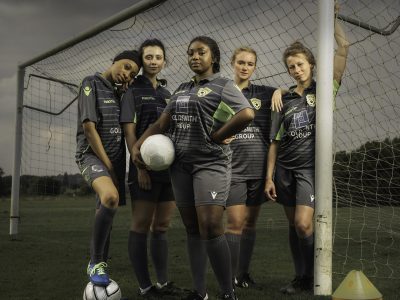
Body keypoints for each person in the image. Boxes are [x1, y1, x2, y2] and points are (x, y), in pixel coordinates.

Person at [132, 36, 255, 300]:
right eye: (190, 53)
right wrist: (138, 146)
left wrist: (220, 135)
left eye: (201, 52)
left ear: (214, 57)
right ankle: (200, 292)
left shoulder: (223, 85)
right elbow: (162, 124)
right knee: (192, 228)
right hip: (180, 166)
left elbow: (246, 114)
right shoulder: (180, 89)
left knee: (211, 225)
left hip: (211, 163)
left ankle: (227, 293)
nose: (195, 56)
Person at [265, 5, 349, 294]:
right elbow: (275, 140)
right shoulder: (283, 98)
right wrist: (269, 176)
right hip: (284, 170)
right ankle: (301, 277)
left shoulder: (325, 89)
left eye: (300, 64)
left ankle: (315, 276)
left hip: (310, 170)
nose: (296, 70)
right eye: (291, 66)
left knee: (303, 224)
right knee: (294, 226)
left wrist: (334, 19)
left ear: (312, 64)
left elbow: (344, 49)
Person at [75, 50, 142, 286]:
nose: (126, 74)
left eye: (132, 73)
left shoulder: (121, 93)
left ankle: (101, 262)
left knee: (107, 209)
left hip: (115, 159)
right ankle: (95, 261)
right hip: (93, 156)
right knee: (111, 196)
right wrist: (108, 164)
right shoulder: (91, 82)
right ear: (113, 61)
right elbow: (89, 128)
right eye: (125, 67)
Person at [120, 39, 177, 298]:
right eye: (149, 57)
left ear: (164, 61)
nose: (154, 61)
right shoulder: (132, 92)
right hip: (143, 170)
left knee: (162, 226)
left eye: (158, 57)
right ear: (142, 61)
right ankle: (145, 287)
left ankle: (163, 283)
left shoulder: (168, 95)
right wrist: (140, 167)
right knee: (141, 225)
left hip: (168, 171)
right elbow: (129, 134)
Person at [224, 47, 279, 288]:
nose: (245, 67)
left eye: (250, 63)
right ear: (232, 63)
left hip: (258, 171)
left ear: (255, 67)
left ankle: (242, 274)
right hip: (233, 169)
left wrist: (281, 90)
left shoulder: (263, 94)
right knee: (235, 223)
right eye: (241, 62)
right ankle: (229, 276)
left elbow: (288, 92)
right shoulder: (223, 92)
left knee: (250, 225)